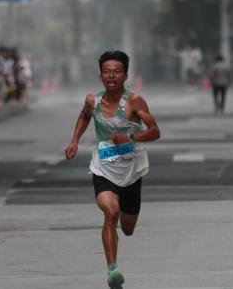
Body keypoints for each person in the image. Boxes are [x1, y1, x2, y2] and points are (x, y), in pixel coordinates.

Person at [64, 50, 161, 289]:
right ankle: (112, 270)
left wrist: (130, 137)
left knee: (127, 229)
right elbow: (84, 116)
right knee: (111, 211)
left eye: (117, 72)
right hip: (103, 168)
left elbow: (155, 131)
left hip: (131, 171)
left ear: (125, 76)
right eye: (107, 72)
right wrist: (75, 140)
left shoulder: (135, 101)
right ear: (100, 76)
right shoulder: (92, 101)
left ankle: (116, 253)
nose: (111, 76)